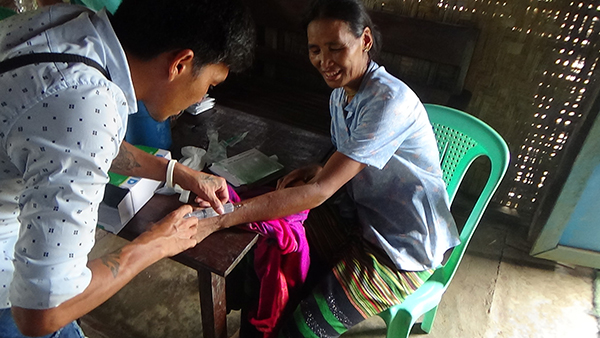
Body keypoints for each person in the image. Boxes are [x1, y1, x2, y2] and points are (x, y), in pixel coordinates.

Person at [196, 0, 460, 337]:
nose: (325, 61)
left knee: (303, 328)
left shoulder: (388, 101)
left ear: (365, 41)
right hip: (359, 221)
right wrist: (320, 166)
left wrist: (224, 216)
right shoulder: (342, 96)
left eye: (336, 48)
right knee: (273, 257)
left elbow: (320, 193)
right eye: (315, 50)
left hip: (402, 249)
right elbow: (346, 157)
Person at [0, 0, 254, 336]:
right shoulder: (88, 102)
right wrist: (156, 245)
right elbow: (40, 312)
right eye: (210, 85)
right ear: (180, 63)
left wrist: (175, 172)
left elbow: (63, 136)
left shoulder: (70, 28)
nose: (199, 99)